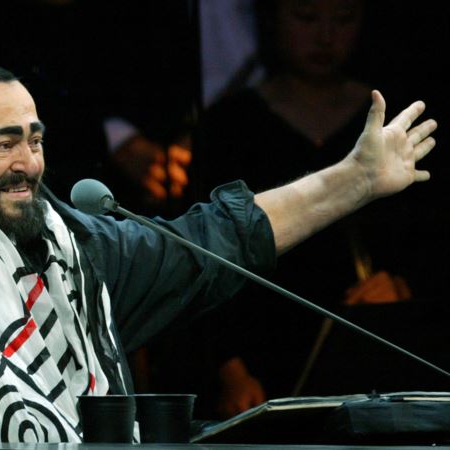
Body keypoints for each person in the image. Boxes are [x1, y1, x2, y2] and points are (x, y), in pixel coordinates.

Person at [0, 0, 435, 448]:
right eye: (3, 142)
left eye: (35, 139)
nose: (27, 162)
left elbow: (214, 242)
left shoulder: (72, 245)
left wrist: (354, 180)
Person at [178, 0, 420, 418]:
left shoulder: (390, 118)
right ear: (273, 19)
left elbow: (425, 234)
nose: (325, 36)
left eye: (343, 19)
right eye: (306, 18)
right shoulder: (230, 123)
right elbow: (200, 250)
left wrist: (403, 285)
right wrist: (229, 368)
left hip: (373, 349)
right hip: (261, 353)